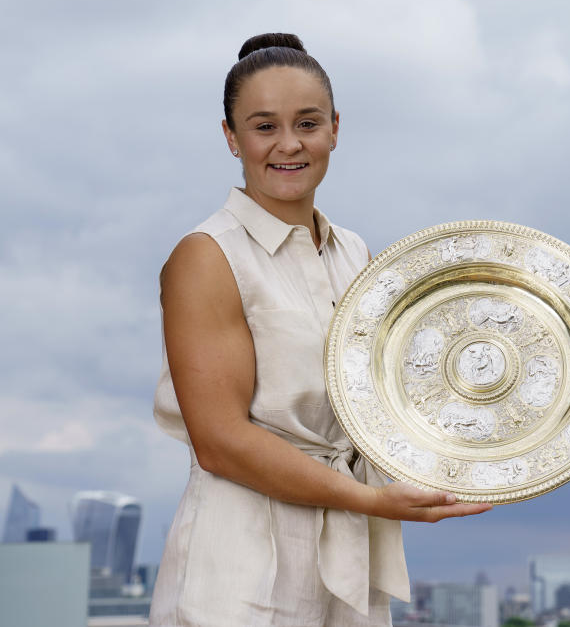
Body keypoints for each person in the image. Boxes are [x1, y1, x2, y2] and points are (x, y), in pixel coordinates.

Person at [150, 33, 491, 627]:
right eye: (263, 127)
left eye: (307, 123)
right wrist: (374, 500)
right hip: (242, 561)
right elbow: (220, 440)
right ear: (231, 137)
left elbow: (379, 402)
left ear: (335, 128)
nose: (289, 144)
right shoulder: (206, 256)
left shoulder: (354, 252)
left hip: (349, 561)